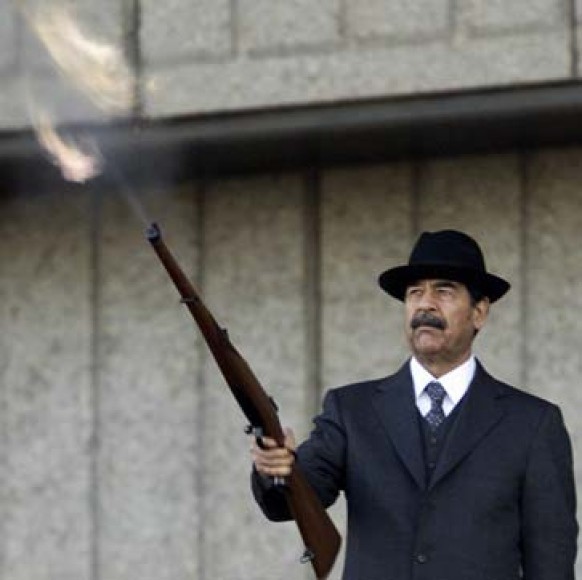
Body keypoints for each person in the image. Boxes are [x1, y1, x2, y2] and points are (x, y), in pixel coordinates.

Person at [251, 229, 578, 580]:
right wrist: (277, 469)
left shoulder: (533, 423)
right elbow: (297, 498)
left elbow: (551, 559)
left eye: (444, 291)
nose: (425, 304)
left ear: (479, 312)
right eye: (414, 293)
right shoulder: (351, 410)